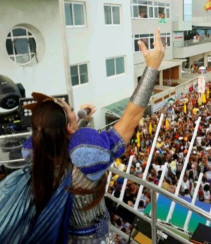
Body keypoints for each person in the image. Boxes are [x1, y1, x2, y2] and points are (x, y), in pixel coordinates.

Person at [0, 28, 165, 243]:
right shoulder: (85, 160)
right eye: (71, 110)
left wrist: (80, 117)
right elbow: (130, 120)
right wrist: (152, 67)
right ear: (69, 129)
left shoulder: (35, 158)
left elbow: (60, 137)